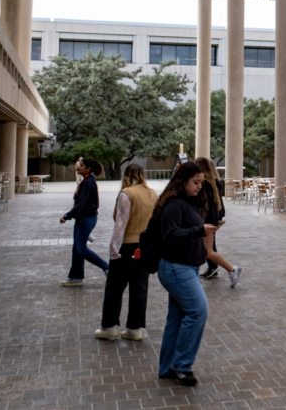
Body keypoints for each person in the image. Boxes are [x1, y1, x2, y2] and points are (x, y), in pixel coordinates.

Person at [154, 162, 214, 386]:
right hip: (176, 268)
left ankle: (167, 367)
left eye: (201, 182)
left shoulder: (186, 202)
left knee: (177, 318)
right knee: (198, 310)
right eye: (195, 183)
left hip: (184, 267)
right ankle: (182, 366)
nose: (199, 187)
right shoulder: (173, 204)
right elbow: (170, 235)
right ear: (183, 182)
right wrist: (199, 230)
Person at [96, 164, 158, 340]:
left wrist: (113, 246)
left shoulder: (126, 193)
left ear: (127, 175)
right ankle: (135, 328)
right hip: (144, 247)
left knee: (115, 285)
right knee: (139, 286)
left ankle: (110, 326)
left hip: (127, 245)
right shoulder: (152, 193)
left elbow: (120, 222)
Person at [60, 157, 109, 287]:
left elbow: (81, 204)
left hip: (86, 219)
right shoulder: (87, 181)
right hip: (84, 218)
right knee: (77, 248)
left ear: (88, 169)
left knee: (81, 249)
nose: (78, 167)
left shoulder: (88, 183)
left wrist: (67, 216)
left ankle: (107, 267)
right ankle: (76, 277)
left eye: (81, 165)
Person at [193, 156, 242, 287]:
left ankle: (232, 269)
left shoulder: (205, 185)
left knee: (206, 251)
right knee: (202, 250)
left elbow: (205, 206)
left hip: (205, 222)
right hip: (210, 221)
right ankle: (196, 278)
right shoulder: (213, 182)